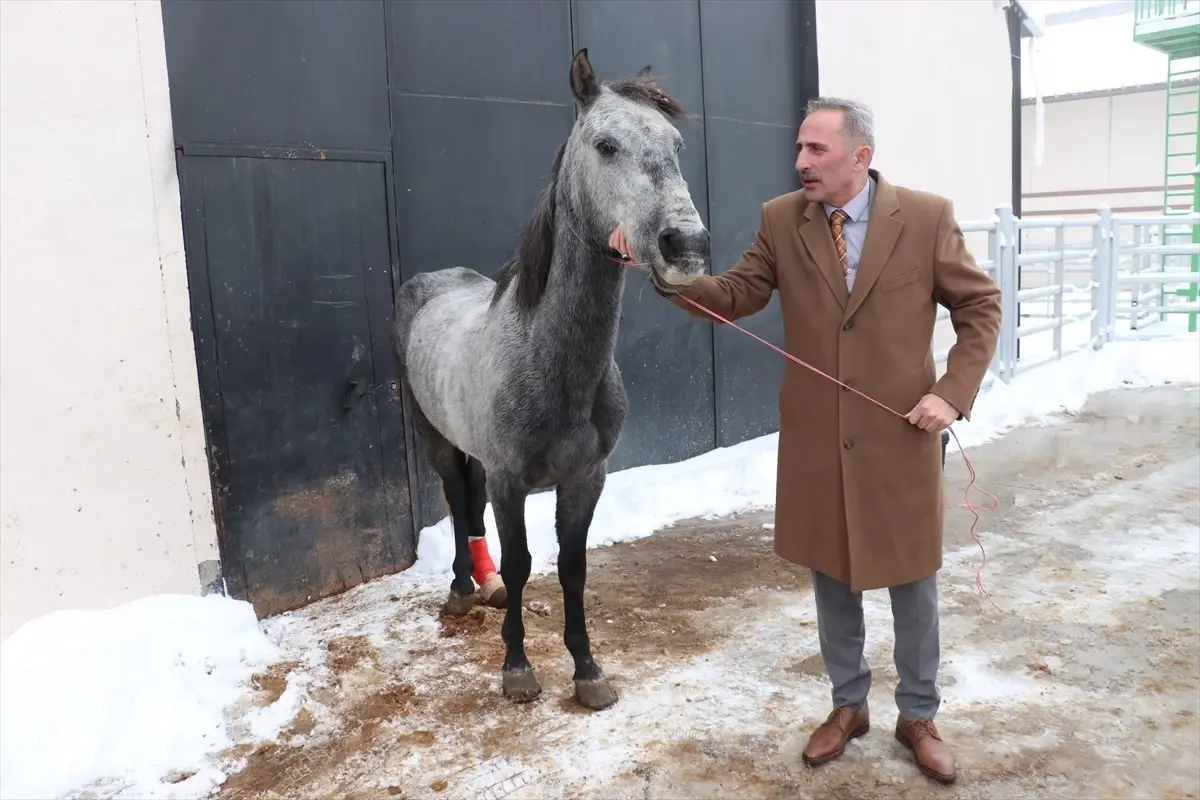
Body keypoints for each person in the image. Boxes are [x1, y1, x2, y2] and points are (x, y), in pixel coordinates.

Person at [613, 97, 1001, 784]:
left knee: (913, 585)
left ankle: (918, 714)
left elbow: (979, 305)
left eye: (816, 150)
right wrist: (662, 269)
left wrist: (952, 392)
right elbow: (734, 294)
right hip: (819, 441)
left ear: (860, 156)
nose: (800, 163)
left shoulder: (927, 217)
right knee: (833, 577)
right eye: (799, 149)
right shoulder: (780, 219)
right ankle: (848, 706)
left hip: (900, 435)